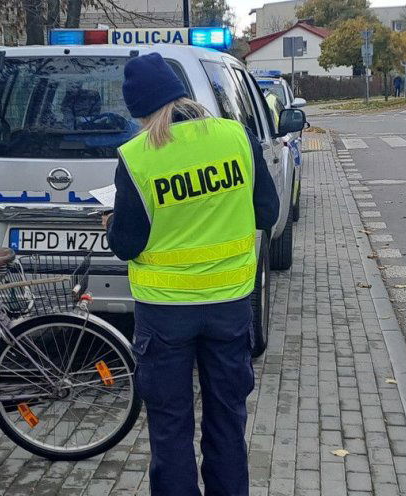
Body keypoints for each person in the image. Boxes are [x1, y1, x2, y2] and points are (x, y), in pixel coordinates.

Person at [104, 53, 279, 496]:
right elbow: (268, 212)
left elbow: (127, 245)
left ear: (141, 111)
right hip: (229, 307)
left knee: (170, 427)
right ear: (181, 93)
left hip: (164, 315)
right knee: (228, 421)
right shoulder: (235, 136)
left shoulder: (137, 156)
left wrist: (112, 224)